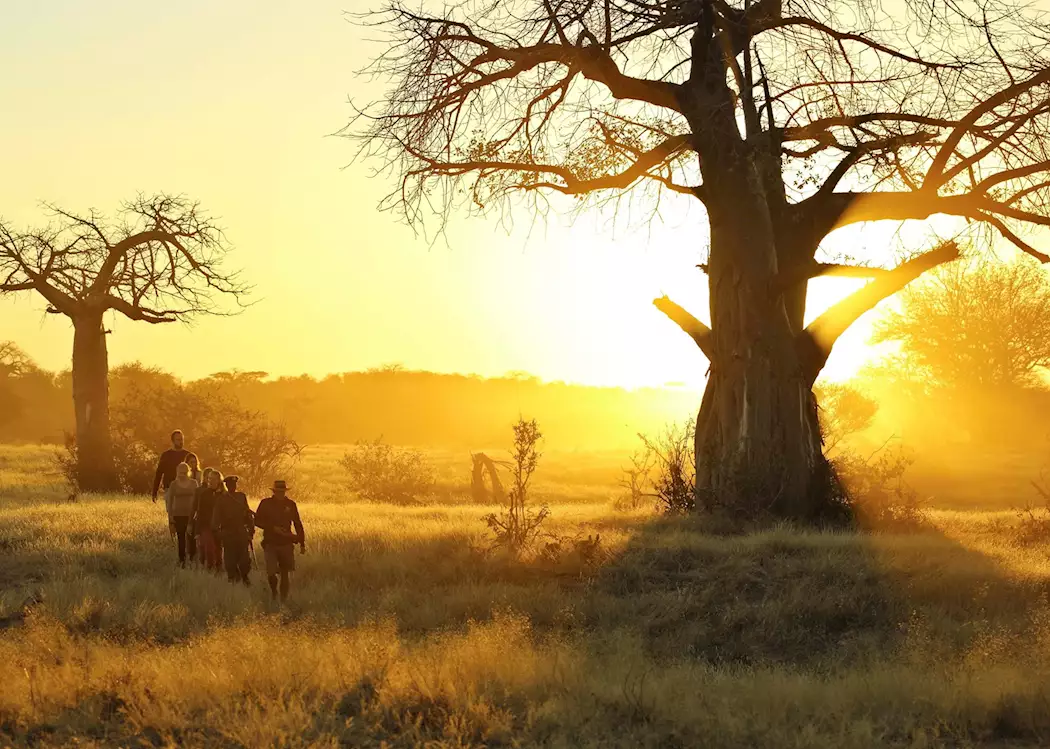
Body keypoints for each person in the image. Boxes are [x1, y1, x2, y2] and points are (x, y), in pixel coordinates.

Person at [254, 480, 305, 602]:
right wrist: (272, 528)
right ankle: (274, 593)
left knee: (285, 573)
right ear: (274, 491)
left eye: (282, 492)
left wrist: (302, 542)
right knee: (271, 573)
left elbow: (297, 524)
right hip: (270, 542)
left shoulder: (291, 504)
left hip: (286, 543)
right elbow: (257, 521)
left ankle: (283, 599)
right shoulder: (265, 503)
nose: (280, 494)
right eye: (278, 492)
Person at [214, 475, 255, 585]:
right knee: (230, 562)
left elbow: (247, 514)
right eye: (230, 485)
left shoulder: (241, 497)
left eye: (234, 484)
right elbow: (216, 518)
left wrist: (251, 530)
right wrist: (218, 533)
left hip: (241, 532)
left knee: (245, 561)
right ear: (226, 486)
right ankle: (233, 582)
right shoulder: (221, 499)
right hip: (228, 533)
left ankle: (245, 578)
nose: (233, 486)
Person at [164, 462, 199, 568]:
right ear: (177, 472)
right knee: (181, 538)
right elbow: (169, 502)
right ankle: (182, 560)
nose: (182, 474)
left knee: (192, 537)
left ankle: (193, 559)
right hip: (178, 515)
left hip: (191, 515)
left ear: (188, 472)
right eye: (180, 472)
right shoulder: (173, 484)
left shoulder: (194, 483)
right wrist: (170, 518)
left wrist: (197, 513)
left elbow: (197, 499)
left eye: (184, 472)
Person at [193, 469, 226, 574]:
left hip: (220, 526)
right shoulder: (204, 494)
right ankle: (209, 569)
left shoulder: (224, 495)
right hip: (206, 525)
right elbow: (199, 512)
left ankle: (219, 568)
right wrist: (197, 531)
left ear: (219, 481)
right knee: (209, 547)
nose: (210, 481)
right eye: (209, 478)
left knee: (218, 548)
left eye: (213, 479)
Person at [151, 430, 189, 503]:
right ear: (173, 441)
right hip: (169, 488)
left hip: (185, 490)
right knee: (171, 513)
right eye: (178, 440)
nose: (181, 441)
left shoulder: (187, 455)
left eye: (182, 439)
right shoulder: (166, 455)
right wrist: (154, 491)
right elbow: (159, 474)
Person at [184, 454, 203, 564]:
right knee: (189, 529)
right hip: (188, 505)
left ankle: (197, 554)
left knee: (197, 529)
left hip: (198, 504)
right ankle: (190, 553)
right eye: (191, 462)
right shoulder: (184, 476)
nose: (193, 464)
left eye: (194, 462)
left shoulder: (200, 474)